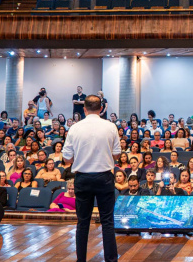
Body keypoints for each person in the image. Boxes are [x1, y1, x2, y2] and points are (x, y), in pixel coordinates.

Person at [62, 94, 120, 262]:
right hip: (104, 178)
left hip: (83, 178)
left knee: (83, 223)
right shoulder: (110, 127)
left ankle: (81, 260)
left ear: (84, 109)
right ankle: (111, 260)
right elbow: (117, 155)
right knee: (107, 222)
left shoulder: (75, 128)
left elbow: (67, 159)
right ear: (101, 109)